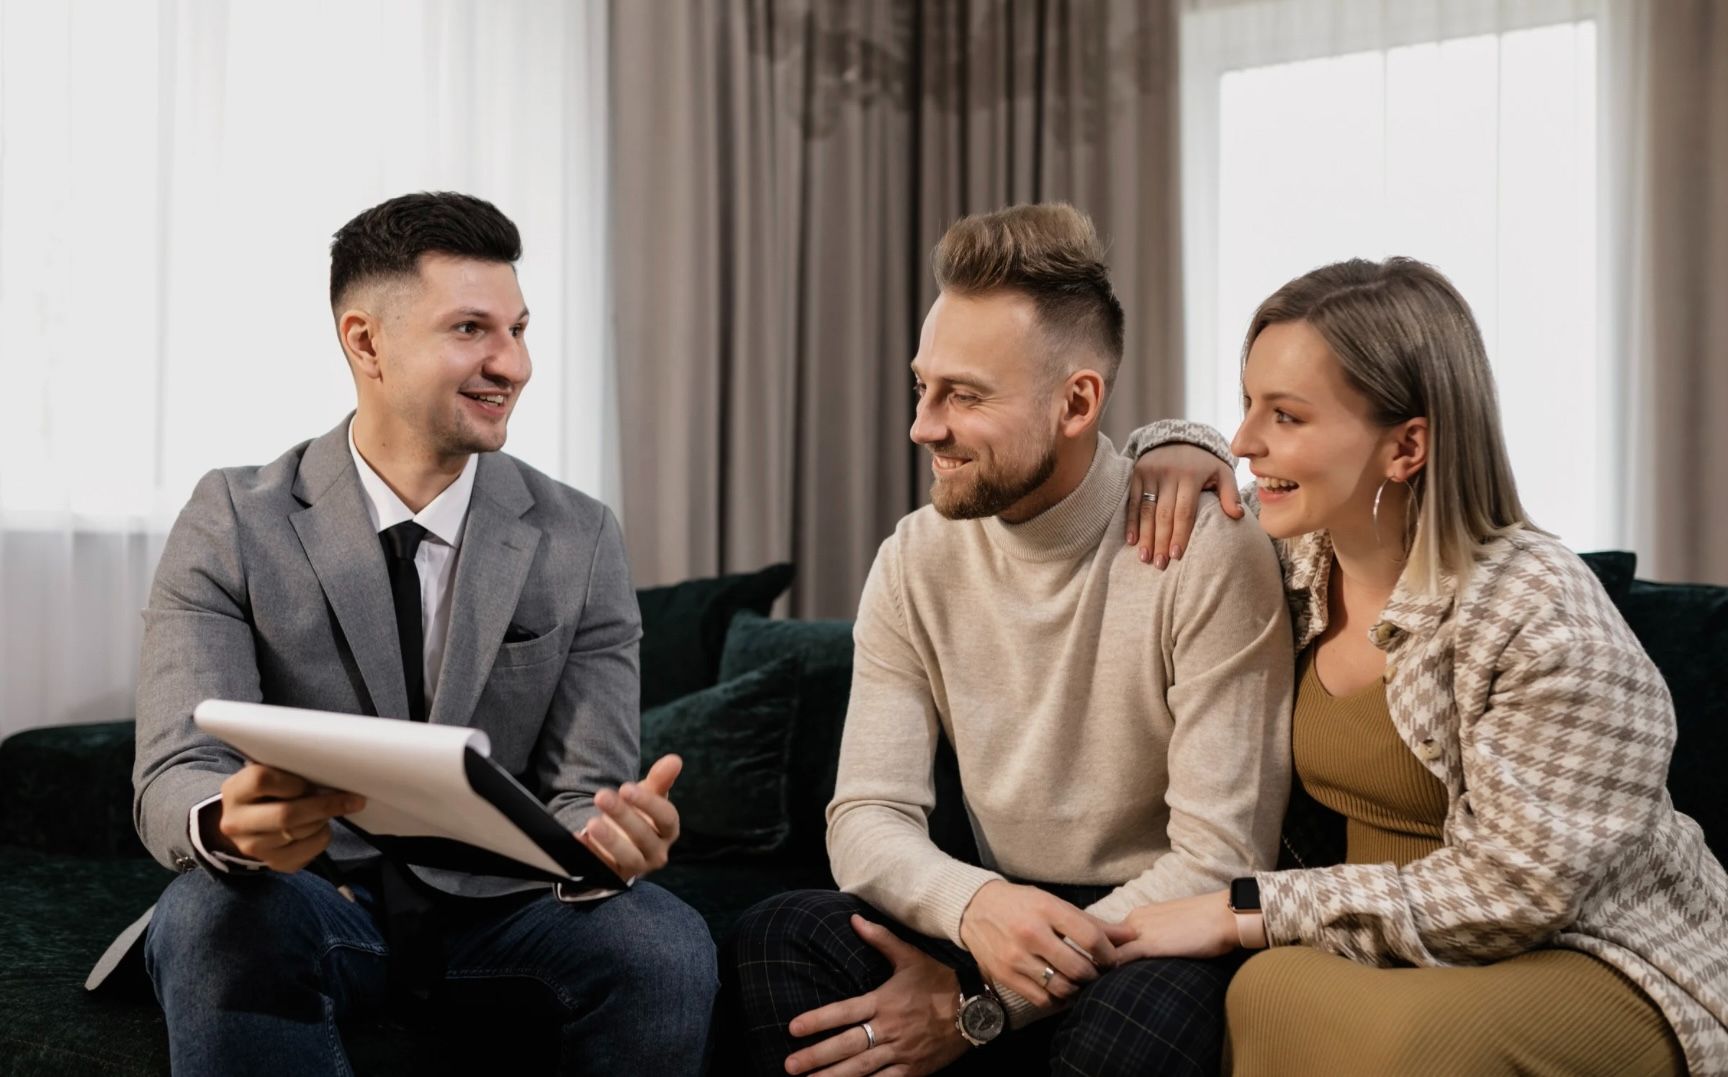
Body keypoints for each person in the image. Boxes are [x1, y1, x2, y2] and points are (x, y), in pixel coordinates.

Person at [86, 192, 717, 1075]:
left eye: (520, 328)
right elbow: (176, 769)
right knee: (213, 912)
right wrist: (229, 824)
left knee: (664, 943)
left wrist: (606, 839)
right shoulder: (233, 516)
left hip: (510, 914)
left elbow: (586, 789)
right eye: (471, 329)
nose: (514, 364)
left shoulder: (581, 536)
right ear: (365, 341)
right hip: (306, 898)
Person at [720, 203, 1295, 1076]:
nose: (923, 426)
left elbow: (1220, 858)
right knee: (777, 938)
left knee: (1134, 1024)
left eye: (964, 395)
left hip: (1157, 924)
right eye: (924, 385)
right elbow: (868, 815)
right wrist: (974, 902)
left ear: (1076, 402)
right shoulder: (914, 557)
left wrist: (984, 1011)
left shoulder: (1206, 550)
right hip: (1001, 912)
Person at [1119, 256, 1728, 1075]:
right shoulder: (1297, 562)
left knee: (1411, 1045)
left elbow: (1513, 894)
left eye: (1287, 416)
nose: (1245, 441)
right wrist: (1175, 445)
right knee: (1267, 991)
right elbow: (1183, 481)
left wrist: (1245, 911)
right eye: (1245, 404)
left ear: (1407, 446)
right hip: (1384, 940)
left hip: (1590, 951)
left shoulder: (1546, 619)